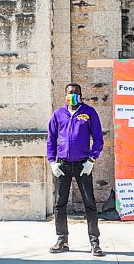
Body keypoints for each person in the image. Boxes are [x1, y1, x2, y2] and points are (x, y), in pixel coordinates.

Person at [46, 82, 104, 256]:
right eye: (70, 93)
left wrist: (92, 160)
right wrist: (52, 162)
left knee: (90, 203)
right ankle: (62, 240)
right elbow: (51, 139)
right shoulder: (58, 114)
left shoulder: (89, 113)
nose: (73, 95)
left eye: (76, 93)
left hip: (82, 165)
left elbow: (99, 139)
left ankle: (95, 243)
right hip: (62, 164)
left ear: (81, 95)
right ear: (65, 95)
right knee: (59, 204)